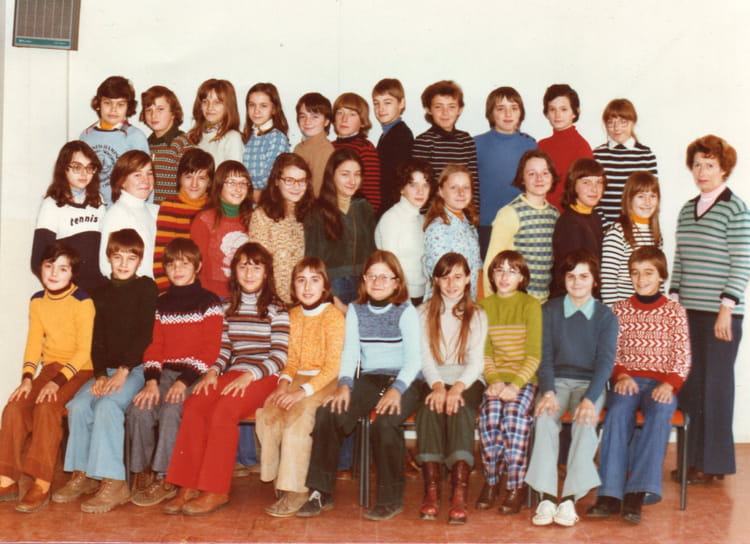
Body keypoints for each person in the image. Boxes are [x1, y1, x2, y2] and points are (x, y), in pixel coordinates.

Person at [164, 242, 289, 516]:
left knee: (223, 410)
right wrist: (213, 372)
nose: (249, 273)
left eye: (256, 267)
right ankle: (187, 485)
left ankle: (216, 490)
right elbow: (224, 349)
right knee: (195, 404)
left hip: (265, 376)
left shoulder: (277, 309)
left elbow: (280, 356)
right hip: (234, 373)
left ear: (266, 273)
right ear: (234, 271)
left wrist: (249, 376)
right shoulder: (227, 306)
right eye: (243, 266)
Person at [298, 250, 421, 521]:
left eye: (385, 277)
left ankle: (390, 499)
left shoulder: (406, 311)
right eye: (372, 276)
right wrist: (344, 386)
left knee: (385, 422)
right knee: (329, 412)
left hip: (408, 380)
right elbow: (350, 353)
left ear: (397, 282)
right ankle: (320, 492)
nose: (378, 282)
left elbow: (415, 360)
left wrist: (396, 390)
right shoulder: (356, 310)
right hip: (372, 377)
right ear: (364, 280)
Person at [54, 229, 158, 513]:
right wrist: (100, 375)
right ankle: (84, 475)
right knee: (78, 405)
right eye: (117, 257)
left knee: (108, 406)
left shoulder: (146, 287)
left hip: (136, 369)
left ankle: (115, 482)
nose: (123, 264)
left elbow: (145, 335)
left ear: (139, 261)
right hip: (106, 370)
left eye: (130, 258)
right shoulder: (99, 293)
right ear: (109, 258)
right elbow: (95, 340)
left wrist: (124, 371)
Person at [587, 246, 690, 524]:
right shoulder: (618, 311)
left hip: (661, 385)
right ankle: (609, 494)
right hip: (628, 382)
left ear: (661, 276)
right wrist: (620, 375)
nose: (641, 279)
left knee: (661, 413)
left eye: (648, 273)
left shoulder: (674, 312)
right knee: (618, 413)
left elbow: (682, 356)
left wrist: (670, 384)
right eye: (635, 273)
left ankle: (637, 492)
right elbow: (609, 352)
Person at [670, 135, 750, 483]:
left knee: (715, 388)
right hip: (688, 313)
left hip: (721, 316)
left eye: (710, 165)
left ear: (724, 169)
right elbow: (680, 260)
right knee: (691, 387)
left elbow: (742, 261)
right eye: (697, 165)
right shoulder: (687, 210)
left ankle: (713, 465)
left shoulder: (736, 209)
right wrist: (675, 303)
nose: (702, 171)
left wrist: (726, 309)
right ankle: (691, 461)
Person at [127, 238, 223, 508]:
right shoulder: (161, 303)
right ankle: (142, 471)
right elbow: (154, 347)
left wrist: (183, 381)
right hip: (165, 372)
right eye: (171, 265)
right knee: (140, 408)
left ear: (198, 267)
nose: (177, 269)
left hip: (196, 374)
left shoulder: (209, 302)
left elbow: (210, 350)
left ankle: (167, 477)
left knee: (172, 409)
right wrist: (151, 381)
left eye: (184, 264)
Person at [524, 249, 617, 527]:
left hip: (589, 384)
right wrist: (548, 391)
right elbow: (544, 356)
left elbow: (605, 363)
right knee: (544, 417)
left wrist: (590, 399)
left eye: (584, 276)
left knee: (586, 422)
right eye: (571, 276)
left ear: (594, 281)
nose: (577, 282)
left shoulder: (605, 316)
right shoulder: (549, 310)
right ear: (563, 279)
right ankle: (547, 496)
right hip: (556, 381)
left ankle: (569, 499)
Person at [0, 243, 94, 513]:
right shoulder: (37, 301)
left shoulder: (83, 302)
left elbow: (83, 352)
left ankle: (42, 482)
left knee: (46, 408)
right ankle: (6, 479)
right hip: (50, 368)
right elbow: (33, 344)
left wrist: (57, 382)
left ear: (72, 273)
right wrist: (27, 378)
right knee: (14, 407)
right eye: (49, 266)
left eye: (63, 268)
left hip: (79, 370)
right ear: (40, 268)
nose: (54, 273)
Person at [256, 257, 345, 517]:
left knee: (300, 416)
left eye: (314, 280)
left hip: (326, 380)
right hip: (297, 378)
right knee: (269, 412)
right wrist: (283, 385)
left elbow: (333, 366)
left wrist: (301, 393)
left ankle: (297, 490)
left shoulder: (332, 315)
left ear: (324, 285)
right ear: (293, 286)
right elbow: (291, 360)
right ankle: (280, 482)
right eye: (301, 280)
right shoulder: (293, 315)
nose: (307, 287)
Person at [417, 253, 487, 524]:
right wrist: (437, 386)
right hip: (434, 378)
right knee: (429, 410)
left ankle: (459, 492)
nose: (451, 284)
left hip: (467, 380)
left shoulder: (477, 314)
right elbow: (424, 358)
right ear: (435, 280)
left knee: (460, 408)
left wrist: (457, 388)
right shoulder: (423, 312)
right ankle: (431, 490)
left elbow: (477, 361)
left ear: (468, 279)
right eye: (445, 277)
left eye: (458, 277)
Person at [475, 250, 541, 515]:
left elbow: (534, 354)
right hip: (495, 379)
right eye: (499, 270)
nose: (504, 276)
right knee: (491, 415)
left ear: (522, 277)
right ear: (491, 275)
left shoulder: (531, 305)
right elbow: (485, 352)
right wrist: (493, 381)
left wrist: (514, 385)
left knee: (514, 416)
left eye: (512, 271)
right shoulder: (483, 307)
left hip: (524, 379)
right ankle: (491, 481)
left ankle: (515, 486)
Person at [304, 148, 376, 311]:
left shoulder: (365, 208)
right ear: (332, 176)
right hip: (332, 288)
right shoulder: (317, 211)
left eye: (357, 174)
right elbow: (313, 261)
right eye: (345, 174)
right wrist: (334, 300)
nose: (352, 181)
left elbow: (372, 254)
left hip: (363, 286)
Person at [483, 149, 560, 301]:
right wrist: (491, 304)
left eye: (545, 173)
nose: (539, 178)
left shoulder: (554, 214)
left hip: (545, 302)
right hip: (515, 302)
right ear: (522, 178)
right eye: (532, 173)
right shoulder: (510, 213)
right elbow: (491, 264)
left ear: (552, 177)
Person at [31, 140, 106, 293]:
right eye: (77, 167)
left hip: (98, 289)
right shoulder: (52, 204)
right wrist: (62, 290)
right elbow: (38, 259)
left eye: (89, 167)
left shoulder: (98, 200)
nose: (84, 173)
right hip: (69, 292)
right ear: (63, 168)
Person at [474, 86, 537, 255]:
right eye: (501, 109)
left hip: (522, 224)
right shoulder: (476, 144)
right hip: (487, 225)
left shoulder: (530, 145)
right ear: (491, 113)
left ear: (521, 113)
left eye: (514, 108)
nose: (508, 114)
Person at [248, 153, 314, 304]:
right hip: (274, 301)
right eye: (289, 180)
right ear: (277, 181)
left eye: (301, 181)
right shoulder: (262, 216)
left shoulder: (311, 215)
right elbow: (260, 265)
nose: (296, 187)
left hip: (305, 299)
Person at [80, 75, 150, 206]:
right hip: (92, 208)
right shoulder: (86, 135)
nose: (113, 109)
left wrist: (146, 210)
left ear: (129, 107)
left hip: (124, 208)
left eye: (120, 104)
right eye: (107, 103)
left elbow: (147, 179)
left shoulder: (135, 137)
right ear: (98, 104)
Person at [153, 148, 215, 293]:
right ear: (179, 178)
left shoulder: (214, 208)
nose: (194, 184)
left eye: (201, 178)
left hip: (209, 289)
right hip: (176, 289)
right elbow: (162, 256)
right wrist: (165, 294)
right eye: (188, 177)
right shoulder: (170, 206)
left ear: (209, 182)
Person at [189, 160, 252, 298]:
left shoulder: (254, 219)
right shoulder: (204, 220)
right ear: (219, 186)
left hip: (247, 294)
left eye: (243, 183)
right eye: (231, 182)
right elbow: (198, 266)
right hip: (213, 295)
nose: (238, 188)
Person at [374, 158, 433, 304]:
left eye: (425, 185)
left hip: (422, 296)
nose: (420, 191)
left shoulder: (422, 219)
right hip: (399, 297)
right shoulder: (391, 218)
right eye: (413, 185)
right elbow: (390, 267)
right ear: (401, 188)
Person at [412, 80, 479, 209]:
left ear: (460, 109)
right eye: (438, 107)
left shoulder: (466, 141)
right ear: (428, 109)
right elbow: (420, 185)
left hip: (462, 213)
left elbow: (473, 183)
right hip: (432, 214)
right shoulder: (423, 142)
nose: (445, 112)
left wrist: (473, 215)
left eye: (451, 107)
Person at [600, 171, 662, 305]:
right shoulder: (617, 233)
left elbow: (658, 278)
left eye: (652, 196)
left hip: (649, 309)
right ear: (629, 199)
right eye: (641, 196)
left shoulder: (655, 233)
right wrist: (615, 314)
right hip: (624, 310)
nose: (647, 202)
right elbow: (608, 282)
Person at [593, 99, 658, 225]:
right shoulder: (598, 155)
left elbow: (651, 196)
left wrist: (636, 226)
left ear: (633, 122)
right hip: (604, 227)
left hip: (636, 227)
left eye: (623, 122)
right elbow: (593, 196)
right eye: (611, 122)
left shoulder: (645, 155)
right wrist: (606, 227)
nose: (617, 128)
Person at [549, 158, 606, 299]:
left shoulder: (595, 217)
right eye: (586, 182)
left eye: (599, 182)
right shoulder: (569, 224)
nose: (594, 189)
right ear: (573, 185)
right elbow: (573, 278)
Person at [423, 164, 481, 300]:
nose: (461, 193)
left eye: (466, 187)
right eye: (453, 187)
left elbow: (477, 267)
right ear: (441, 191)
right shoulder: (438, 228)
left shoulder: (469, 224)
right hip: (447, 303)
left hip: (468, 301)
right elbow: (444, 279)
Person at [98, 150, 158, 279]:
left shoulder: (154, 211)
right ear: (122, 181)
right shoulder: (117, 215)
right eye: (137, 175)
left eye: (149, 173)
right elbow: (106, 267)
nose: (146, 180)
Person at [537, 84, 593, 211]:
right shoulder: (541, 145)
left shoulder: (582, 147)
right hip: (541, 214)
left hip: (567, 216)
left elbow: (583, 192)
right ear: (546, 113)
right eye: (552, 109)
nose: (557, 115)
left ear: (575, 112)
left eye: (563, 109)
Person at [331, 92, 382, 213]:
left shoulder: (365, 148)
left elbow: (372, 195)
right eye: (340, 113)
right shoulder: (329, 147)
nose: (344, 119)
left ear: (362, 122)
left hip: (354, 214)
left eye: (352, 114)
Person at [140, 85, 192, 204]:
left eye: (160, 109)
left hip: (173, 211)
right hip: (149, 211)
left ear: (173, 113)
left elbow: (190, 188)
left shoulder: (183, 145)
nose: (154, 115)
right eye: (149, 110)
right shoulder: (146, 145)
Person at [241, 82, 290, 202]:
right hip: (245, 200)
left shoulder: (276, 138)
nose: (256, 111)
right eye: (252, 105)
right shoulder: (248, 137)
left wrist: (243, 189)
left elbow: (269, 179)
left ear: (273, 109)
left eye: (263, 106)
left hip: (267, 203)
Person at [372, 78, 414, 213]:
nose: (381, 109)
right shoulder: (387, 134)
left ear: (402, 103)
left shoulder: (401, 135)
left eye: (387, 102)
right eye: (376, 103)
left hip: (392, 208)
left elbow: (395, 182)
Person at [186, 79, 244, 165]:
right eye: (205, 102)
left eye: (217, 102)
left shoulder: (232, 138)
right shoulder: (192, 136)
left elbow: (233, 173)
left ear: (228, 106)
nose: (210, 107)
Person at [292, 92, 335, 197]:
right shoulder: (298, 147)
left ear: (326, 121)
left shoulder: (325, 150)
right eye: (303, 116)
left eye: (315, 117)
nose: (307, 121)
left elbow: (317, 190)